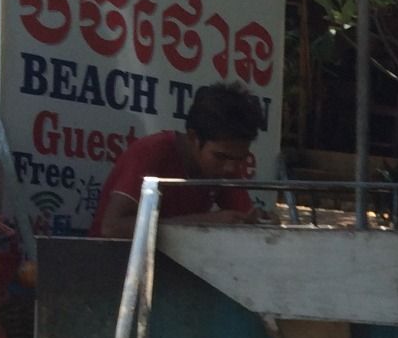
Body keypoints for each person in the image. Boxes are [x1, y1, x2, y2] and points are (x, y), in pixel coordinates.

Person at [91, 81, 267, 238]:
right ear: (193, 138)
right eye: (220, 157)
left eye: (239, 159)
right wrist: (203, 223)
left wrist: (261, 222)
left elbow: (244, 218)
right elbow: (112, 227)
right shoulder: (153, 152)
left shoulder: (226, 163)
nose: (230, 168)